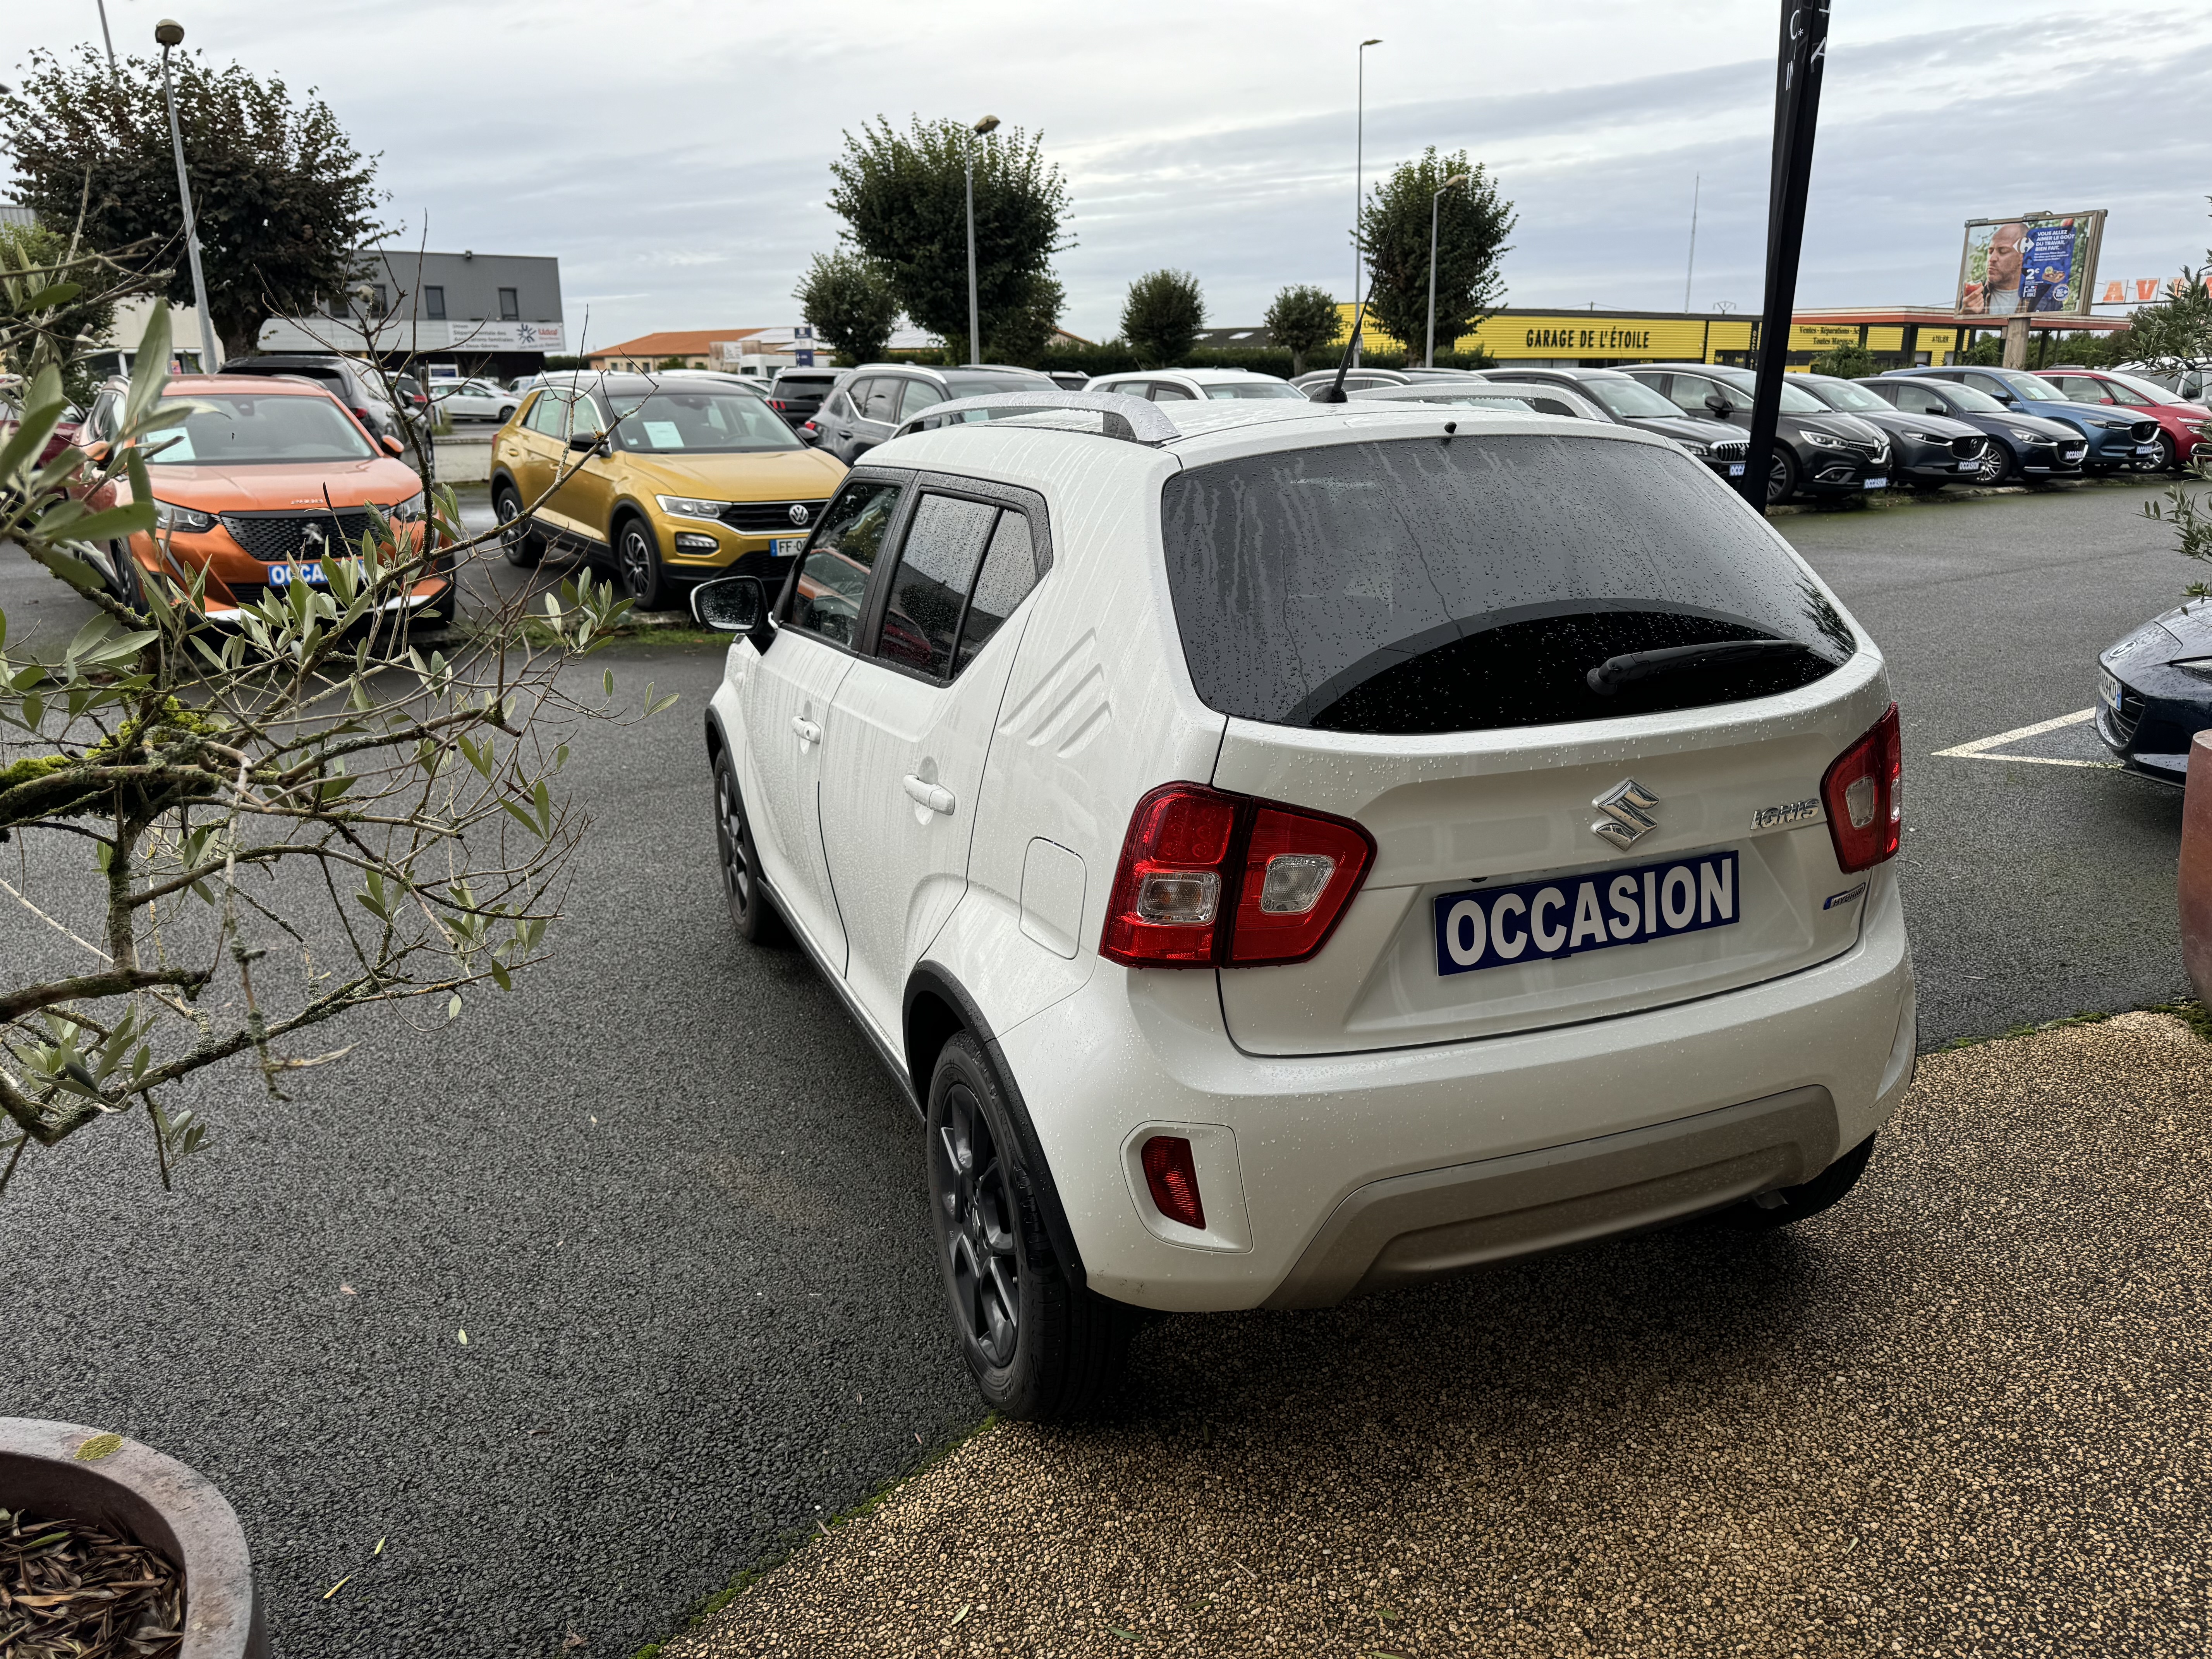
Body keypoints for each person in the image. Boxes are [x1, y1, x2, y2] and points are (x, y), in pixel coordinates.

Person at [1961, 222, 2025, 316]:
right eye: (1990, 252)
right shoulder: (1974, 293)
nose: (1992, 259)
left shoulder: (2041, 295)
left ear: (2022, 257)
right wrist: (1966, 313)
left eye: (2003, 251)